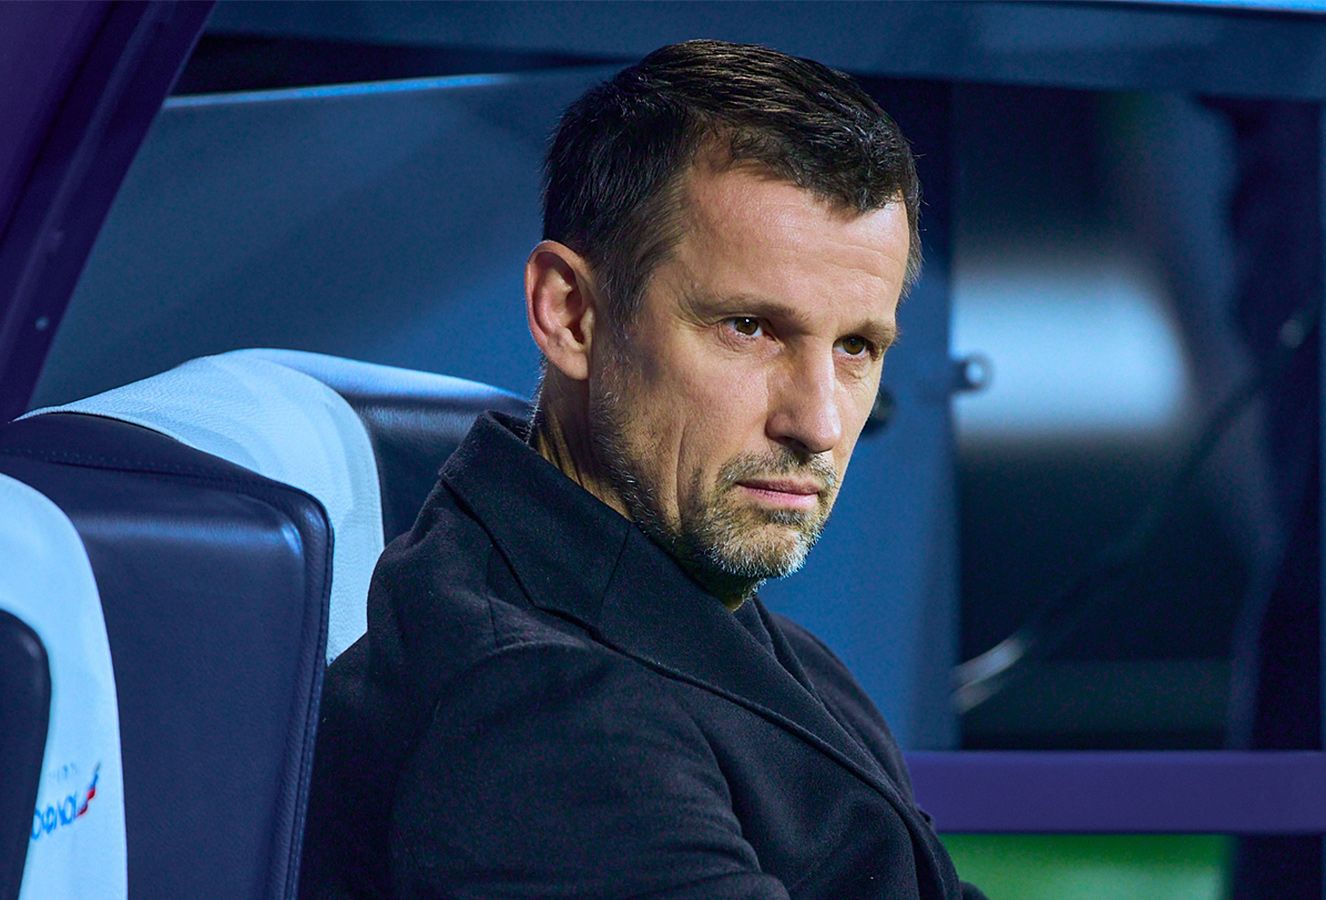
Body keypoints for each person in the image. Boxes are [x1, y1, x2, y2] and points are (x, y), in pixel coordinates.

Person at [300, 39, 984, 899]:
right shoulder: (541, 711)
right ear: (571, 315)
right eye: (749, 327)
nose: (818, 422)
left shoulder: (758, 646)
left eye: (857, 346)